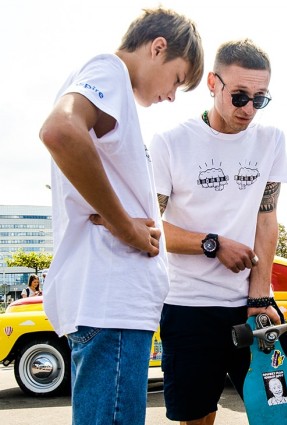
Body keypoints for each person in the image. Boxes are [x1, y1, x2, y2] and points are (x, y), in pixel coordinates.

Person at [38, 8, 204, 425]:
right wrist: (125, 225)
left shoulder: (111, 89)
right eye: (177, 79)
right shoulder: (108, 69)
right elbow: (59, 130)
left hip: (113, 305)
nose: (171, 95)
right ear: (157, 48)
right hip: (111, 304)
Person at [150, 38, 287, 425]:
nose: (249, 109)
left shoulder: (270, 140)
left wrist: (260, 293)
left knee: (282, 414)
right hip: (189, 307)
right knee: (198, 418)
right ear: (213, 84)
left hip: (252, 305)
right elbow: (152, 228)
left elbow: (267, 216)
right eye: (240, 96)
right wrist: (211, 245)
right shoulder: (170, 143)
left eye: (260, 99)